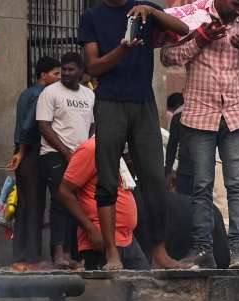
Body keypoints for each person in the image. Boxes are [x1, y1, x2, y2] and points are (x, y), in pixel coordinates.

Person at [79, 0, 190, 270]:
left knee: (154, 180)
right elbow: (93, 67)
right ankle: (112, 254)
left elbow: (184, 29)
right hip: (109, 102)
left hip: (143, 103)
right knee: (107, 181)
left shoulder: (143, 9)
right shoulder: (92, 17)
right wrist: (122, 50)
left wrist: (152, 12)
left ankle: (160, 253)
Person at [161, 0, 239, 269]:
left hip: (235, 113)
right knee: (202, 186)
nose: (238, 10)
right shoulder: (195, 15)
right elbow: (168, 56)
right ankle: (203, 250)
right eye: (235, 4)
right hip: (200, 113)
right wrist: (200, 38)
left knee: (236, 185)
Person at [55, 137, 149, 271]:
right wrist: (91, 230)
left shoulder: (114, 150)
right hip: (101, 241)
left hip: (127, 239)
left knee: (145, 287)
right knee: (110, 291)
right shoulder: (90, 149)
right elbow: (64, 192)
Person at [36, 51, 94, 269]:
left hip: (82, 157)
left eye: (71, 70)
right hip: (54, 154)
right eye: (63, 70)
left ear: (81, 72)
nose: (66, 74)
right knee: (61, 201)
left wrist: (85, 151)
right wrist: (66, 152)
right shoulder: (50, 92)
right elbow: (43, 125)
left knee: (78, 204)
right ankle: (58, 253)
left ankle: (72, 253)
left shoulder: (89, 95)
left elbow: (92, 125)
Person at [9, 55, 60, 266]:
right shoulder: (42, 94)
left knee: (24, 206)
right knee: (34, 205)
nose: (59, 78)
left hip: (23, 152)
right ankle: (32, 256)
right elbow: (29, 126)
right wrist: (22, 151)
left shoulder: (26, 93)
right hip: (32, 151)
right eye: (55, 74)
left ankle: (20, 254)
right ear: (43, 75)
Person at [164, 94, 194, 195]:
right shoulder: (178, 117)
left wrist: (168, 171)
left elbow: (171, 147)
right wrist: (168, 171)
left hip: (187, 173)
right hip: (187, 173)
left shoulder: (178, 116)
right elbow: (171, 147)